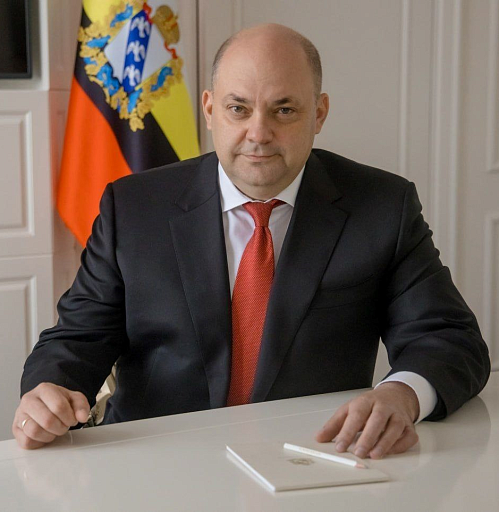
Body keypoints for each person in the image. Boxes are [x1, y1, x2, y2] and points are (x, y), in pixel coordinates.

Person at [13, 24, 490, 458]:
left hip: (310, 459)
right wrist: (48, 390)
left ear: (319, 113)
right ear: (209, 110)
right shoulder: (134, 207)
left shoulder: (383, 207)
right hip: (156, 457)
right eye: (238, 108)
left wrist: (402, 395)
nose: (258, 133)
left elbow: (449, 339)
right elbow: (79, 337)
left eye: (284, 110)